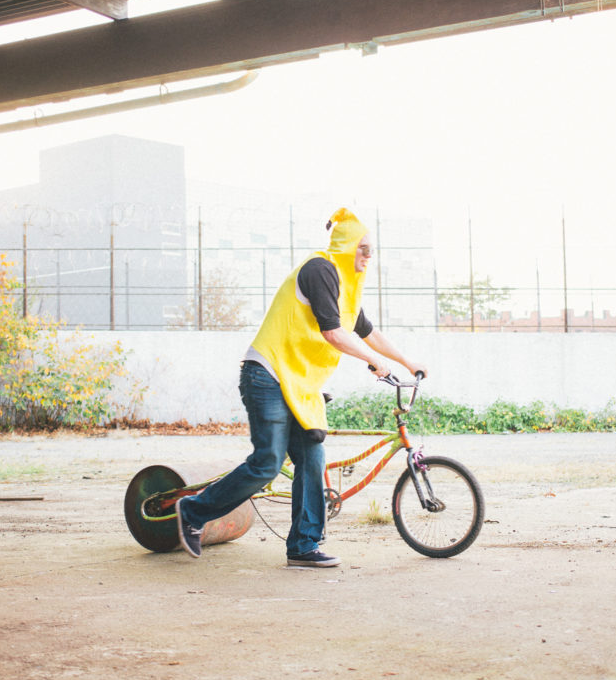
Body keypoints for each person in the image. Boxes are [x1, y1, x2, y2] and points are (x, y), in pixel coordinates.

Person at [175, 207, 428, 567]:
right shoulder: (320, 270)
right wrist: (372, 361)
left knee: (312, 458)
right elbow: (333, 332)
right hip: (268, 374)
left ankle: (303, 546)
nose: (369, 257)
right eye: (364, 248)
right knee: (267, 463)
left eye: (372, 250)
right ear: (347, 245)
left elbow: (368, 332)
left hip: (299, 384)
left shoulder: (346, 290)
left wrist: (407, 362)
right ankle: (192, 511)